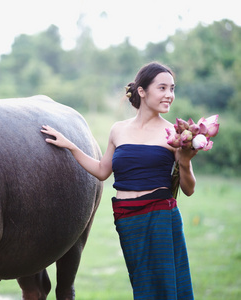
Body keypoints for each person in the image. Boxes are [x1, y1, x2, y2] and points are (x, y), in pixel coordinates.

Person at [41, 62, 196, 299]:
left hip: (160, 217)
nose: (169, 95)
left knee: (163, 288)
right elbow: (103, 171)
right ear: (142, 91)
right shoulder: (118, 130)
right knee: (141, 284)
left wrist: (184, 161)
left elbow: (188, 189)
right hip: (127, 218)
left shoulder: (174, 134)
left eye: (172, 89)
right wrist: (71, 146)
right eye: (162, 88)